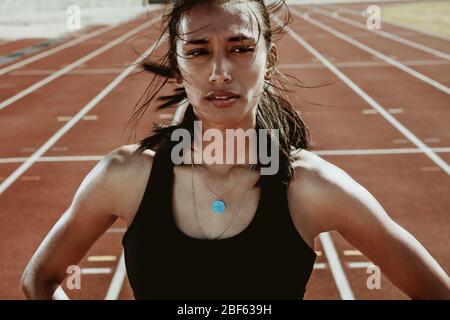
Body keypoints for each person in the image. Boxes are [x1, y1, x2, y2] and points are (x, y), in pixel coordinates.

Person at [22, 0, 450, 300]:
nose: (221, 72)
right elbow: (40, 280)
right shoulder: (125, 176)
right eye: (198, 52)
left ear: (271, 58)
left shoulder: (311, 186)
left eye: (241, 49)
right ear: (177, 64)